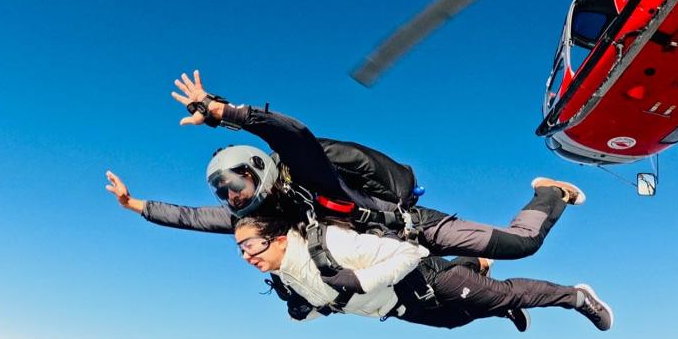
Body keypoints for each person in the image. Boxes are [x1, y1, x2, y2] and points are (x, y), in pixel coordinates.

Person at [105, 70, 586, 261]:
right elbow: (193, 218)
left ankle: (549, 192)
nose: (231, 196)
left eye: (235, 181)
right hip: (390, 254)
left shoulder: (305, 172)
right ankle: (474, 268)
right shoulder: (263, 216)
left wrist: (222, 112)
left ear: (258, 169)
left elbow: (289, 132)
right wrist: (134, 205)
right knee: (440, 292)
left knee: (522, 246)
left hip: (416, 228)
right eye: (222, 191)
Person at [233, 213, 614, 332]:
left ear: (280, 238)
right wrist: (308, 311)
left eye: (252, 245)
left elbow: (408, 253)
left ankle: (577, 297)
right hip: (401, 307)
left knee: (506, 293)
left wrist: (362, 280)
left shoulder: (332, 245)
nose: (247, 256)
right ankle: (482, 280)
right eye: (241, 250)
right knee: (456, 322)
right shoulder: (287, 276)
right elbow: (332, 298)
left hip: (424, 279)